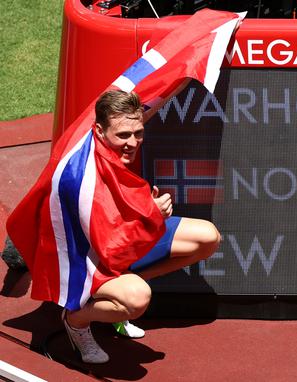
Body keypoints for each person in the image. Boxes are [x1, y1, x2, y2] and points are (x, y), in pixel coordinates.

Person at [62, 89, 221, 363]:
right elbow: (108, 248)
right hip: (91, 260)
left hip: (127, 238)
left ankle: (122, 290)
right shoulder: (85, 178)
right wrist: (151, 214)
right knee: (136, 300)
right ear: (99, 131)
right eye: (123, 135)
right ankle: (77, 318)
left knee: (208, 238)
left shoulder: (113, 144)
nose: (133, 143)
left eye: (138, 133)